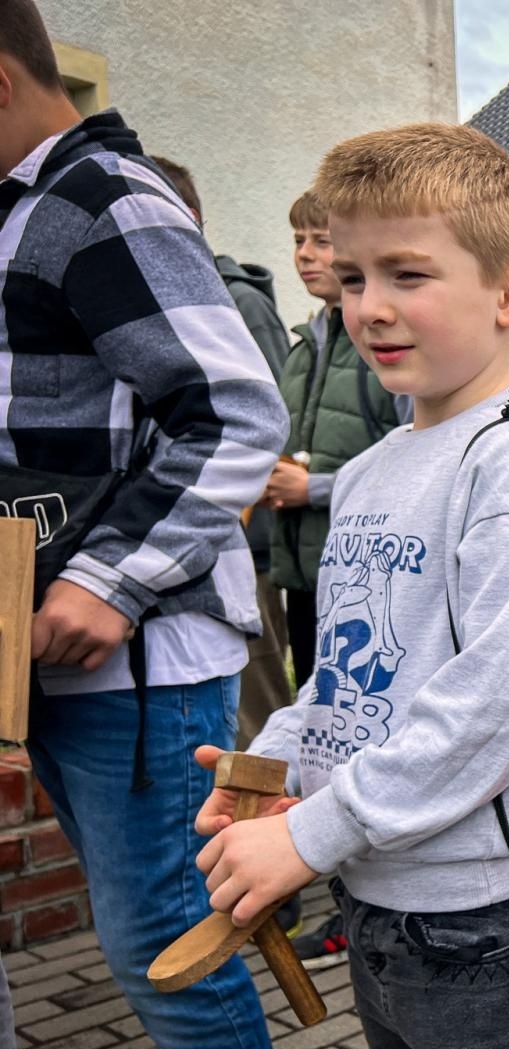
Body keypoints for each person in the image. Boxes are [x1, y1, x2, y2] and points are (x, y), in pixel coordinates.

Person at [194, 122, 509, 1049]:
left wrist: (312, 836)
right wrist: (275, 768)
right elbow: (348, 667)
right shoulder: (377, 468)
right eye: (351, 277)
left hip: (485, 918)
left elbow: (493, 709)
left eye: (408, 274)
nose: (369, 306)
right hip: (381, 888)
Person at [0, 2, 303, 1049]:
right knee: (152, 948)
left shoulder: (102, 199)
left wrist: (102, 582)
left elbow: (234, 414)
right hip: (69, 658)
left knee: (168, 949)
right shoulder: (32, 207)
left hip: (136, 656)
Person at [267, 188, 405, 970]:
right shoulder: (303, 340)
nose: (310, 256)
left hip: (362, 572)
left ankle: (357, 894)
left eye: (324, 242)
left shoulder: (375, 344)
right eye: (303, 243)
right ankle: (331, 874)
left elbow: (398, 445)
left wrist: (312, 488)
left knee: (364, 714)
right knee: (316, 705)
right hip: (300, 561)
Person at [148, 154, 296, 753]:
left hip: (249, 543)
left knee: (259, 709)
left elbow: (265, 416)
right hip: (213, 546)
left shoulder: (235, 301)